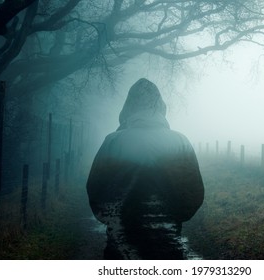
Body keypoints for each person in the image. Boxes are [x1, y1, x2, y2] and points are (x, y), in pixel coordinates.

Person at [86, 78, 204, 260]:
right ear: (161, 106)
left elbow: (96, 189)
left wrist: (113, 219)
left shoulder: (113, 141)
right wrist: (173, 219)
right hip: (167, 244)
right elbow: (193, 192)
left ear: (129, 106)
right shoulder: (180, 142)